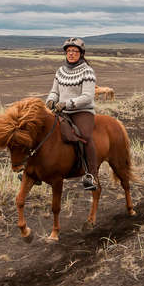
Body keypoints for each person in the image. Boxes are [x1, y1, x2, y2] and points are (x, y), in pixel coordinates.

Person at [46, 37, 98, 190]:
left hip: (82, 111)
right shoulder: (60, 71)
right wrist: (50, 100)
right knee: (43, 130)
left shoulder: (87, 71)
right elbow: (55, 91)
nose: (71, 54)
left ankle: (91, 175)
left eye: (75, 51)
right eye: (68, 51)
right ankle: (35, 170)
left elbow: (88, 96)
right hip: (61, 110)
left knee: (85, 136)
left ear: (81, 53)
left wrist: (67, 103)